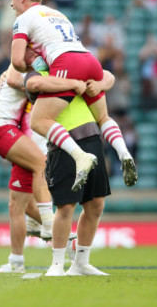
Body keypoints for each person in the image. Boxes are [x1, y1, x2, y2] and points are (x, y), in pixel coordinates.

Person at [7, 0, 136, 191]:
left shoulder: (23, 19)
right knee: (103, 117)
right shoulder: (58, 14)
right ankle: (123, 151)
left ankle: (80, 156)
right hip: (89, 59)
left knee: (39, 120)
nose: (11, 4)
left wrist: (31, 67)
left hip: (67, 62)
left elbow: (17, 61)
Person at [24, 62, 115, 276]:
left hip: (92, 137)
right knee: (66, 206)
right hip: (62, 145)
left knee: (96, 204)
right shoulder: (41, 73)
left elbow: (109, 75)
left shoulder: (78, 69)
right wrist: (73, 83)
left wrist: (99, 83)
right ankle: (57, 263)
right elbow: (33, 82)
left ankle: (81, 263)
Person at [0, 59, 68, 273]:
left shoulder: (48, 71)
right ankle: (48, 231)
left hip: (26, 139)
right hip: (7, 130)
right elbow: (12, 77)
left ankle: (24, 255)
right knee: (22, 199)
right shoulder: (24, 66)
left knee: (19, 206)